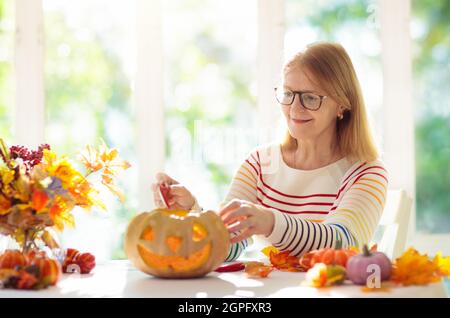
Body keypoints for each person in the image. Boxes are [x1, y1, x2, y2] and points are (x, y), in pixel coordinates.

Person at [151, 42, 388, 261]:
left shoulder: (366, 172)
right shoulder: (259, 163)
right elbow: (229, 244)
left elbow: (343, 244)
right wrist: (191, 213)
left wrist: (271, 223)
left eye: (310, 97)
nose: (294, 108)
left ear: (342, 104)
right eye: (288, 94)